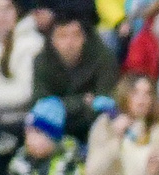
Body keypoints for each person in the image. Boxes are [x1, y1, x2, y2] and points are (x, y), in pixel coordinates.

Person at [32, 9, 118, 138]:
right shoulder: (42, 61)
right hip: (54, 128)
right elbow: (41, 103)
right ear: (52, 40)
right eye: (62, 36)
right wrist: (83, 101)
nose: (69, 43)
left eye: (75, 35)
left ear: (84, 38)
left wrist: (59, 104)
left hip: (95, 126)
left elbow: (105, 101)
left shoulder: (103, 57)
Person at [0, 0, 44, 127]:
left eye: (7, 8)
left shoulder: (30, 43)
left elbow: (26, 92)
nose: (2, 15)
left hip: (23, 122)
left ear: (17, 11)